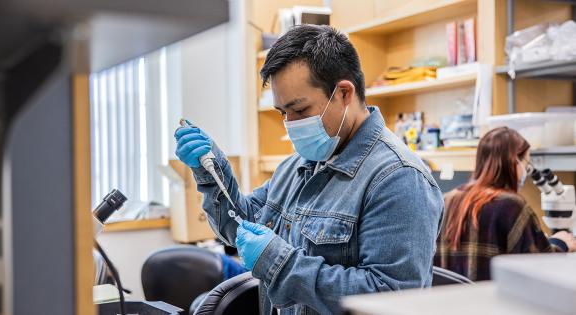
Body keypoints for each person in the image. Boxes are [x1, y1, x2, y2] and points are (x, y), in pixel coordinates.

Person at [175, 25, 443, 315]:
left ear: (343, 93)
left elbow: (390, 301)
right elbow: (241, 226)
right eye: (283, 113)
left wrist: (279, 262)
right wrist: (212, 172)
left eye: (300, 110)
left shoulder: (399, 179)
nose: (290, 125)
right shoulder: (298, 164)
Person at [434, 127, 576, 281]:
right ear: (514, 161)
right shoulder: (510, 206)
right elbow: (540, 264)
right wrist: (560, 243)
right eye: (525, 164)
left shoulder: (446, 199)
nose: (525, 173)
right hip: (493, 301)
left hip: (448, 301)